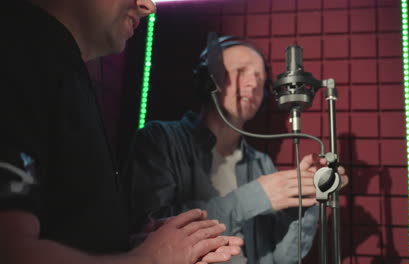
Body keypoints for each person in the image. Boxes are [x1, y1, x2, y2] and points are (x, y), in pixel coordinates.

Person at [0, 1, 243, 264]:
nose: (148, 6)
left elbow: (62, 228)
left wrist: (129, 244)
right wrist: (152, 258)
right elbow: (11, 251)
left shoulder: (61, 69)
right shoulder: (17, 50)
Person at [126, 36, 348, 263]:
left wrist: (307, 199)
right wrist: (255, 197)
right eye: (241, 71)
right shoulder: (160, 139)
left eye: (260, 77)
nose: (253, 84)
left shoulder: (261, 163)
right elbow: (150, 232)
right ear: (208, 79)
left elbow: (284, 258)